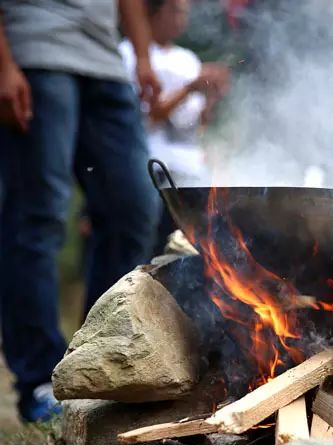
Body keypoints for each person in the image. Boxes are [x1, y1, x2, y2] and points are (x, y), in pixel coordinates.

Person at [0, 0, 161, 422]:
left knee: (134, 208)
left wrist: (143, 57)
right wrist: (3, 64)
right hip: (35, 49)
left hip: (106, 62)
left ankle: (99, 364)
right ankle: (39, 381)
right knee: (40, 215)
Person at [120, 0, 230, 253]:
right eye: (176, 11)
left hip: (188, 175)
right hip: (155, 168)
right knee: (150, 248)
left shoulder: (187, 59)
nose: (182, 19)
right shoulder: (131, 54)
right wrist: (190, 88)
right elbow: (147, 117)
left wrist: (211, 96)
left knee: (185, 251)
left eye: (185, 13)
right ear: (154, 12)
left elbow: (195, 124)